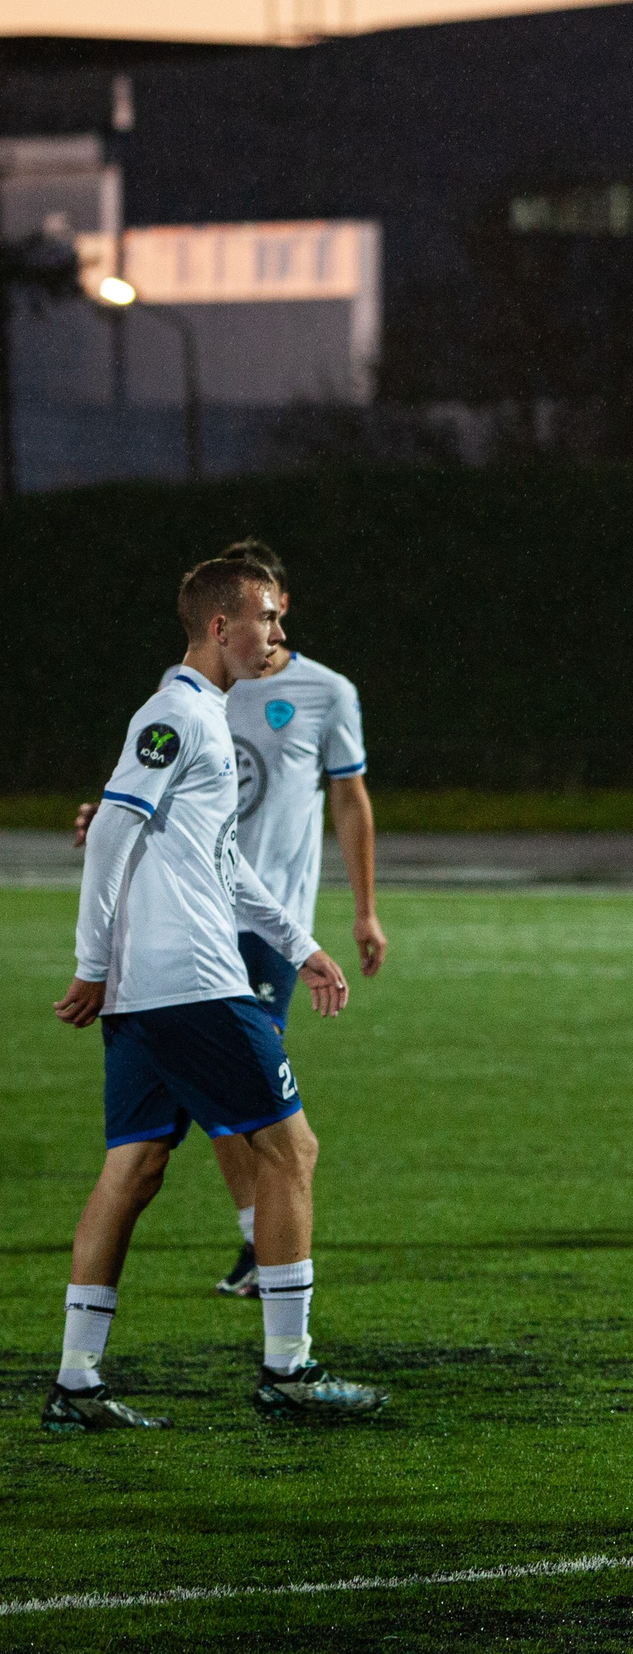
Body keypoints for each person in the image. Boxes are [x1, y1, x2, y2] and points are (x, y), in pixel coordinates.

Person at [46, 555, 383, 1431]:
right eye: (268, 617)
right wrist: (89, 962)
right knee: (291, 1151)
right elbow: (111, 830)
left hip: (152, 992)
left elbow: (221, 861)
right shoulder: (175, 713)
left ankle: (76, 1382)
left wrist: (302, 945)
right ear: (222, 627)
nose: (279, 633)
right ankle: (289, 1369)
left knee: (133, 1168)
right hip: (192, 983)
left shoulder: (201, 715)